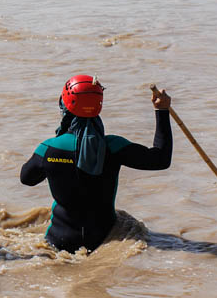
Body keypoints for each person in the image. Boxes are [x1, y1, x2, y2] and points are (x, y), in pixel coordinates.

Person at [20, 75, 172, 253]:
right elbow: (160, 160)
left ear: (64, 105)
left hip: (57, 240)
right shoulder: (114, 147)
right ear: (98, 105)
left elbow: (27, 179)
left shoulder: (48, 149)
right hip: (105, 239)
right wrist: (162, 111)